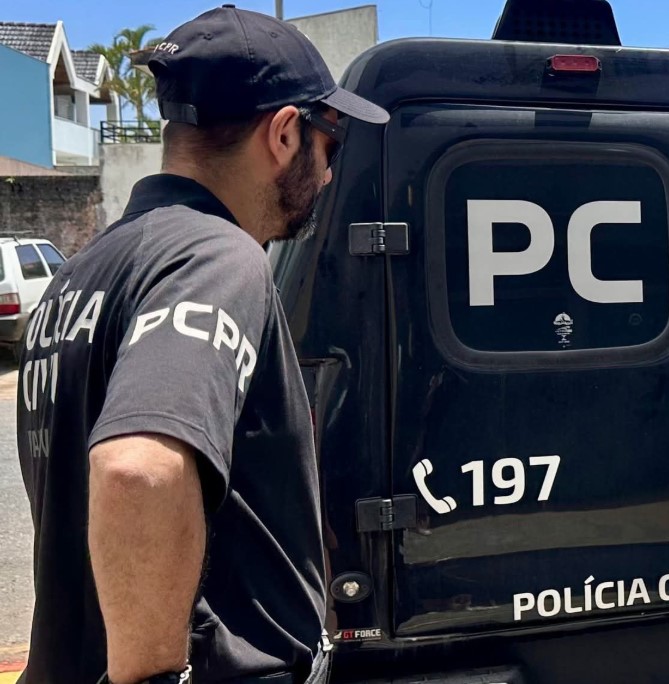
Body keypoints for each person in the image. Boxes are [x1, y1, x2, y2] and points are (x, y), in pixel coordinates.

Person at [15, 6, 389, 683]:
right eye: (330, 144)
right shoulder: (216, 257)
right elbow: (136, 469)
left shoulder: (77, 277)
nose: (330, 174)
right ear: (284, 133)